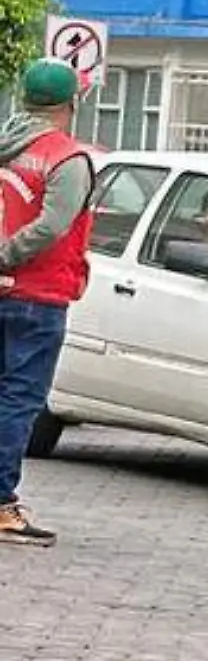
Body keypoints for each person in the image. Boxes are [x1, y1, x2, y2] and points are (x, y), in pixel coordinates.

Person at [0, 60, 96, 547]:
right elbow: (53, 225)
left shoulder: (6, 145)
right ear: (68, 104)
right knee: (18, 399)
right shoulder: (65, 158)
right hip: (36, 295)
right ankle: (1, 503)